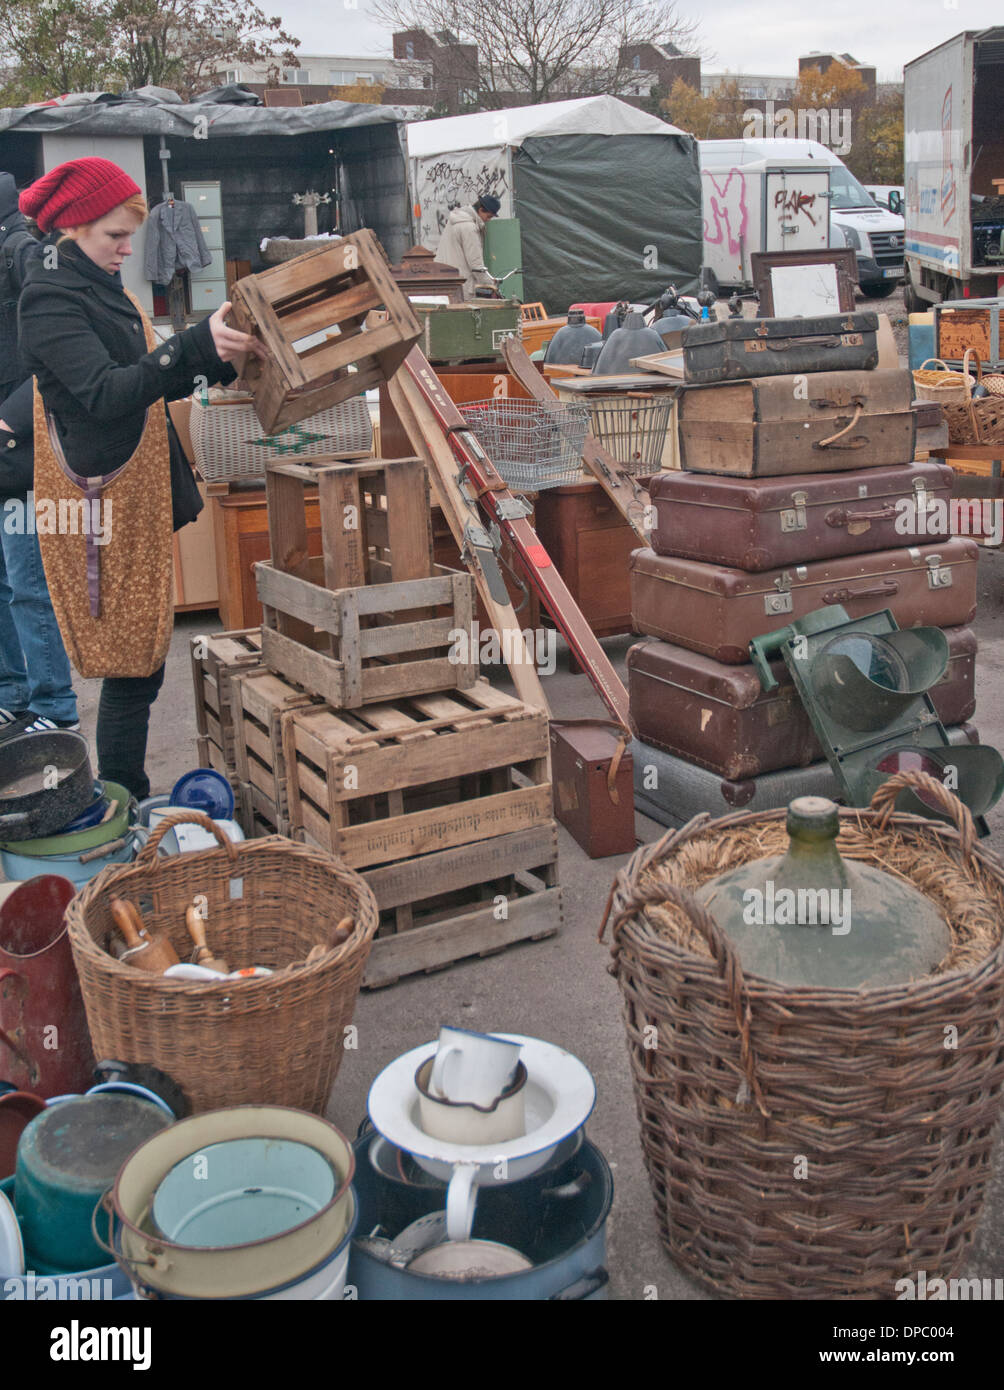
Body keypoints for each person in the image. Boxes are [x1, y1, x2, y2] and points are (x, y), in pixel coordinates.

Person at [17, 156, 261, 798]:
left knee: (143, 664)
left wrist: (220, 359)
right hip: (104, 503)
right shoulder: (48, 298)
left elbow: (152, 380)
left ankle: (123, 797)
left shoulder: (103, 288)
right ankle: (122, 799)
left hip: (137, 493)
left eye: (130, 234)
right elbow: (105, 394)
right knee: (130, 666)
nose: (128, 249)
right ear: (71, 229)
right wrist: (191, 345)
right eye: (113, 236)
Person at [0, 170, 79, 739]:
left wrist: (13, 413)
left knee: (27, 580)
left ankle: (54, 702)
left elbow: (58, 341)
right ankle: (12, 693)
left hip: (19, 451)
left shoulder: (23, 253)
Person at [436, 194, 501, 299]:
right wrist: (490, 286)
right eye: (489, 216)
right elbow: (476, 265)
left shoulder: (456, 220)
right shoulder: (469, 228)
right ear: (480, 210)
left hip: (445, 279)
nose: (488, 220)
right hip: (461, 285)